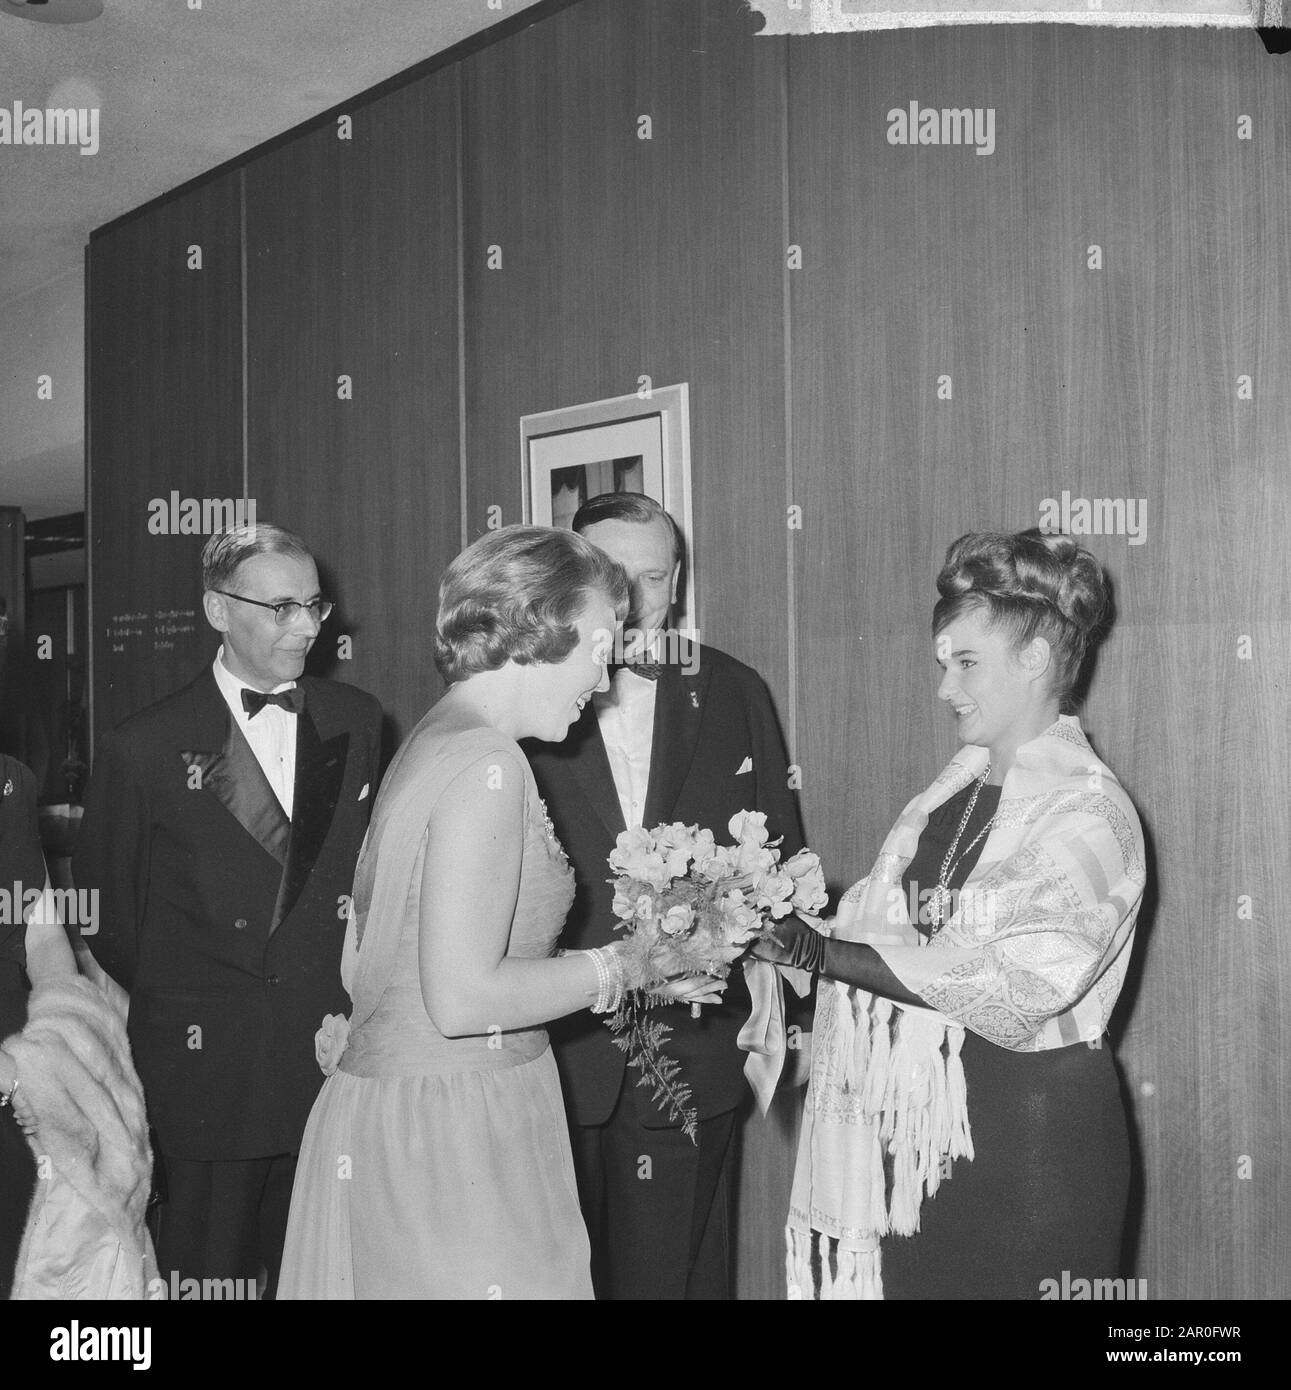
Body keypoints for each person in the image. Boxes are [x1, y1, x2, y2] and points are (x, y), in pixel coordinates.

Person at [278, 526, 722, 1300]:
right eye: (597, 646)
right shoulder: (489, 764)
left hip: (418, 1113)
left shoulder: (435, 736)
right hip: (455, 1130)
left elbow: (374, 960)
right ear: (533, 632)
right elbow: (463, 999)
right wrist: (636, 965)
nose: (606, 672)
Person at [757, 528, 1145, 1299]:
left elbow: (1009, 985)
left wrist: (820, 953)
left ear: (1035, 657)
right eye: (943, 664)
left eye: (965, 662)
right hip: (912, 1139)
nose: (944, 687)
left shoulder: (1092, 812)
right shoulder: (949, 795)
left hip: (1031, 1141)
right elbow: (910, 939)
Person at [73, 523, 383, 1298]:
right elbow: (111, 923)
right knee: (205, 1280)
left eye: (314, 604)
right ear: (218, 610)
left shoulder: (358, 720)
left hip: (328, 1058)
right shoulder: (142, 746)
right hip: (207, 1075)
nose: (308, 627)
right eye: (281, 608)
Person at [526, 492, 805, 1301]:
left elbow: (778, 863)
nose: (634, 600)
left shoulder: (733, 691)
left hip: (688, 1055)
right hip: (548, 1056)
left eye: (651, 577)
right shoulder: (518, 703)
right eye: (610, 576)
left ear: (676, 581)